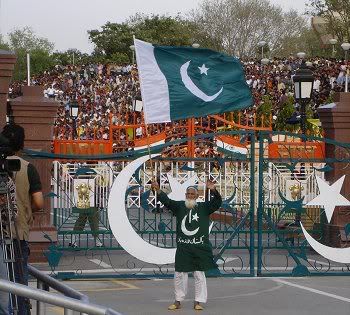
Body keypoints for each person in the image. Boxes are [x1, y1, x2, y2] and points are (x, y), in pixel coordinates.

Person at [151, 179, 222, 311]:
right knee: (179, 274)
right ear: (185, 195)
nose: (190, 196)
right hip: (184, 247)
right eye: (188, 194)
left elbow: (217, 202)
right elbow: (166, 201)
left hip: (199, 247)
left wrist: (213, 190)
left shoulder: (204, 207)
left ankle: (198, 301)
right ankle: (178, 301)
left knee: (199, 274)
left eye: (192, 194)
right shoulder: (179, 206)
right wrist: (158, 190)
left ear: (196, 196)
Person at [1, 123, 44, 315]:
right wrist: (27, 212)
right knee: (20, 283)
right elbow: (39, 202)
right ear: (22, 144)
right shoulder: (27, 168)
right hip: (18, 232)